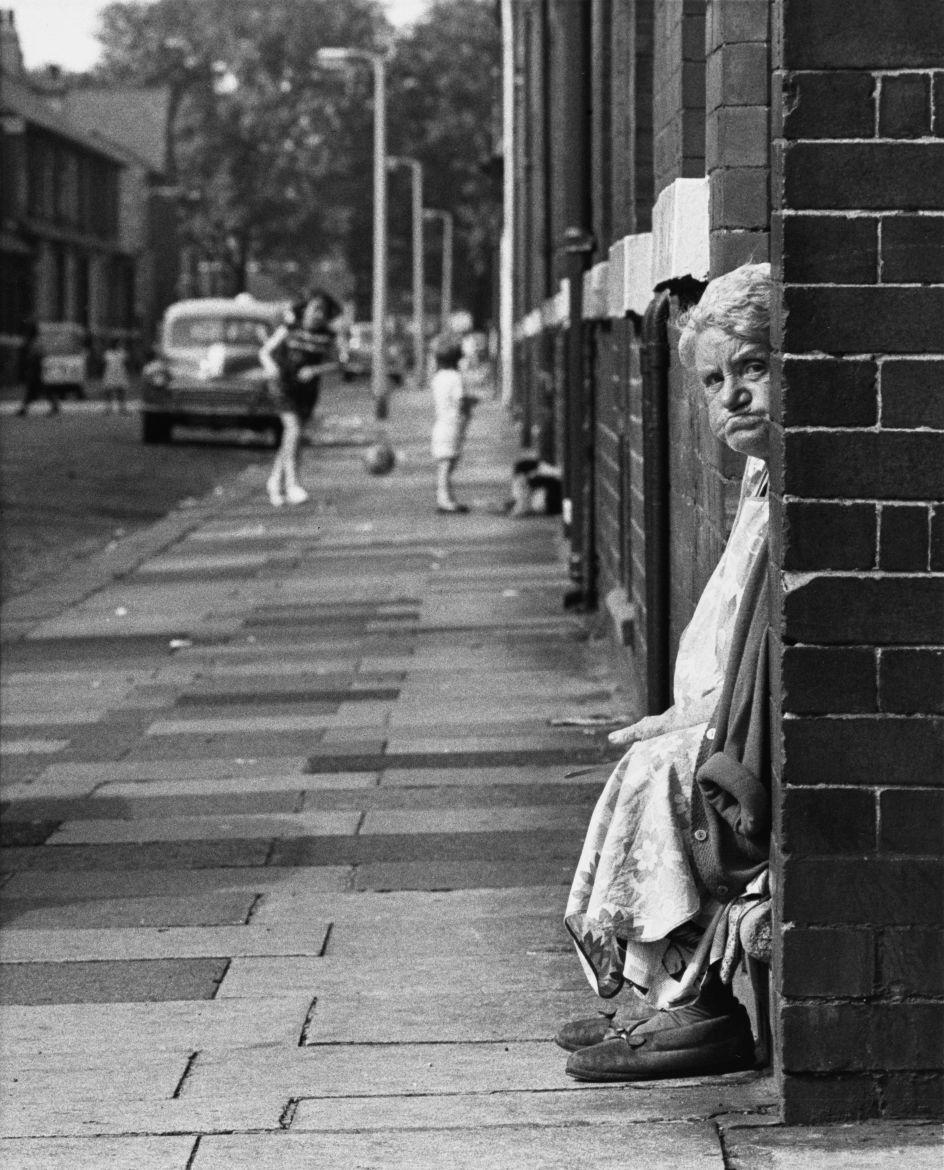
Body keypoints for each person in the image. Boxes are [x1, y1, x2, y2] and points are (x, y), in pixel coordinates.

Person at [558, 262, 773, 1083]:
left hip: (750, 740)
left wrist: (695, 721)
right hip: (726, 720)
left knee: (659, 771)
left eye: (755, 368)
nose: (734, 396)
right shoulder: (761, 477)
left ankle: (695, 1008)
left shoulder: (802, 484)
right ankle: (662, 992)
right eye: (715, 380)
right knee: (643, 764)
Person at [259, 291, 340, 507]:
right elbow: (266, 352)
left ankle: (275, 480)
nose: (318, 314)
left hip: (307, 391)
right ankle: (293, 483)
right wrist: (271, 366)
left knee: (292, 436)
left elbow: (337, 363)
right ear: (305, 309)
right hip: (282, 386)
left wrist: (316, 369)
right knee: (293, 429)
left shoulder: (327, 336)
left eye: (323, 310)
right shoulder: (289, 329)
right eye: (315, 309)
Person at [430, 333, 477, 514]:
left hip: (441, 423)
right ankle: (444, 499)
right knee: (447, 465)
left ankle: (447, 497)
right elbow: (460, 400)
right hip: (452, 425)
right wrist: (471, 405)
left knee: (446, 463)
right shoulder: (456, 377)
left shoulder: (438, 377)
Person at [16, 322, 59, 417]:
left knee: (35, 389)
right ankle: (54, 405)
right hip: (36, 369)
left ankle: (24, 409)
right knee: (39, 390)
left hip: (35, 369)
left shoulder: (34, 342)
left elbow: (36, 356)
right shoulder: (34, 341)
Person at [101, 336, 130, 413]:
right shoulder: (108, 353)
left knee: (121, 390)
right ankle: (108, 408)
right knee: (109, 391)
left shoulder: (122, 352)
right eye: (119, 343)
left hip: (120, 373)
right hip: (110, 373)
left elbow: (126, 362)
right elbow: (104, 363)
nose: (121, 345)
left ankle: (122, 408)